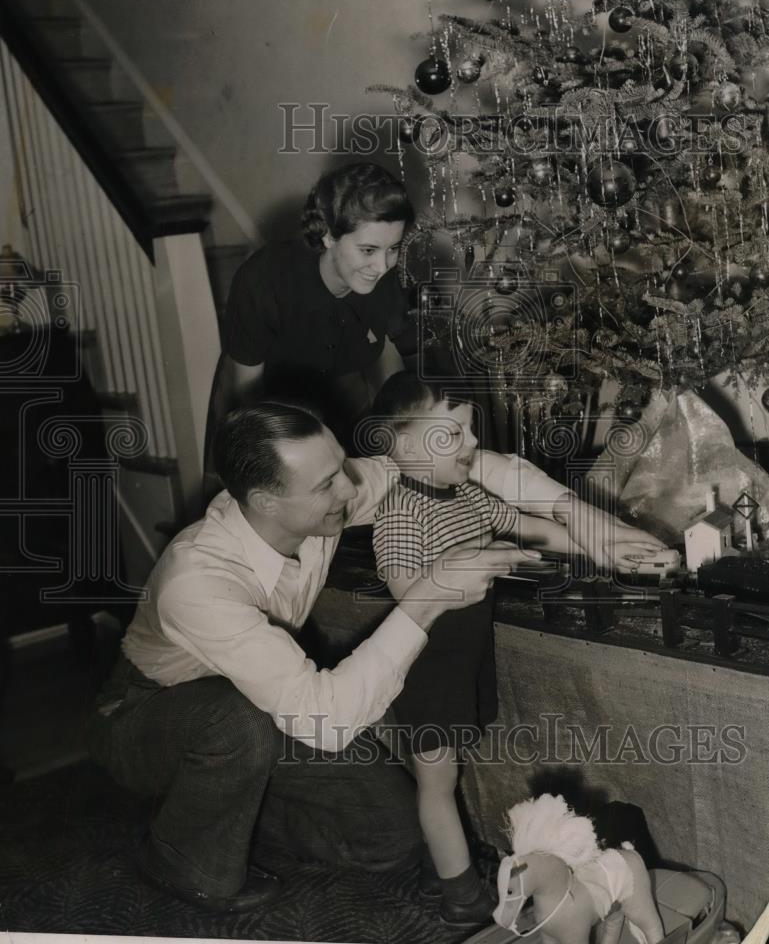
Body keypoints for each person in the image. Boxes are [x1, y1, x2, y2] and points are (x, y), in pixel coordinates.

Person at [87, 402, 665, 916]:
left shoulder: (315, 494)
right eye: (326, 484)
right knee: (233, 722)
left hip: (263, 707)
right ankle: (180, 859)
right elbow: (331, 717)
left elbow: (475, 463)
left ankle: (241, 804)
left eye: (342, 465)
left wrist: (587, 520)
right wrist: (430, 595)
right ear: (265, 501)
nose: (350, 488)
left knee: (391, 838)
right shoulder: (198, 582)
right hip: (148, 715)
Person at [370, 372, 554, 928]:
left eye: (470, 432)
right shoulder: (401, 511)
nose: (473, 445)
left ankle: (443, 862)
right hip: (426, 665)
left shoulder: (468, 497)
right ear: (402, 446)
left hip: (464, 660)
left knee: (446, 771)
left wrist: (598, 541)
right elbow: (408, 590)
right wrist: (477, 557)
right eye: (452, 434)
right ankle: (460, 895)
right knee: (436, 780)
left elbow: (524, 525)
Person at [218, 162, 417, 446]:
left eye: (393, 248)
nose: (382, 265)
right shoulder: (263, 279)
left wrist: (401, 432)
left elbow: (391, 367)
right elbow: (247, 395)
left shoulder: (383, 280)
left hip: (345, 402)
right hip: (267, 408)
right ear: (328, 235)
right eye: (368, 250)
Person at [493, 793, 664, 944]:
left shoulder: (567, 918)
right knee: (611, 919)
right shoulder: (544, 908)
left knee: (646, 920)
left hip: (623, 871)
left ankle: (657, 938)